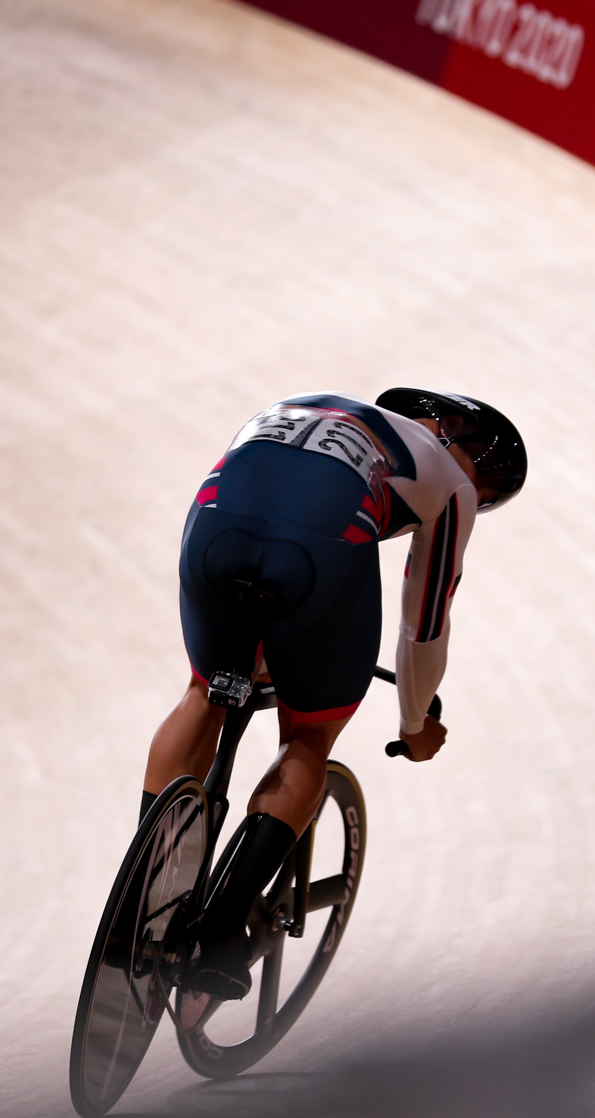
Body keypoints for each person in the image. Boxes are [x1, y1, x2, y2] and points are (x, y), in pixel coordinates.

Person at [141, 388, 526, 999]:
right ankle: (219, 933)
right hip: (316, 559)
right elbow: (423, 621)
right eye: (488, 489)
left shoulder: (300, 404)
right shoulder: (451, 483)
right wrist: (414, 722)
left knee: (205, 691)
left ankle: (146, 882)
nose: (477, 497)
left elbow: (259, 493)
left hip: (214, 532)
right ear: (470, 457)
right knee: (310, 731)